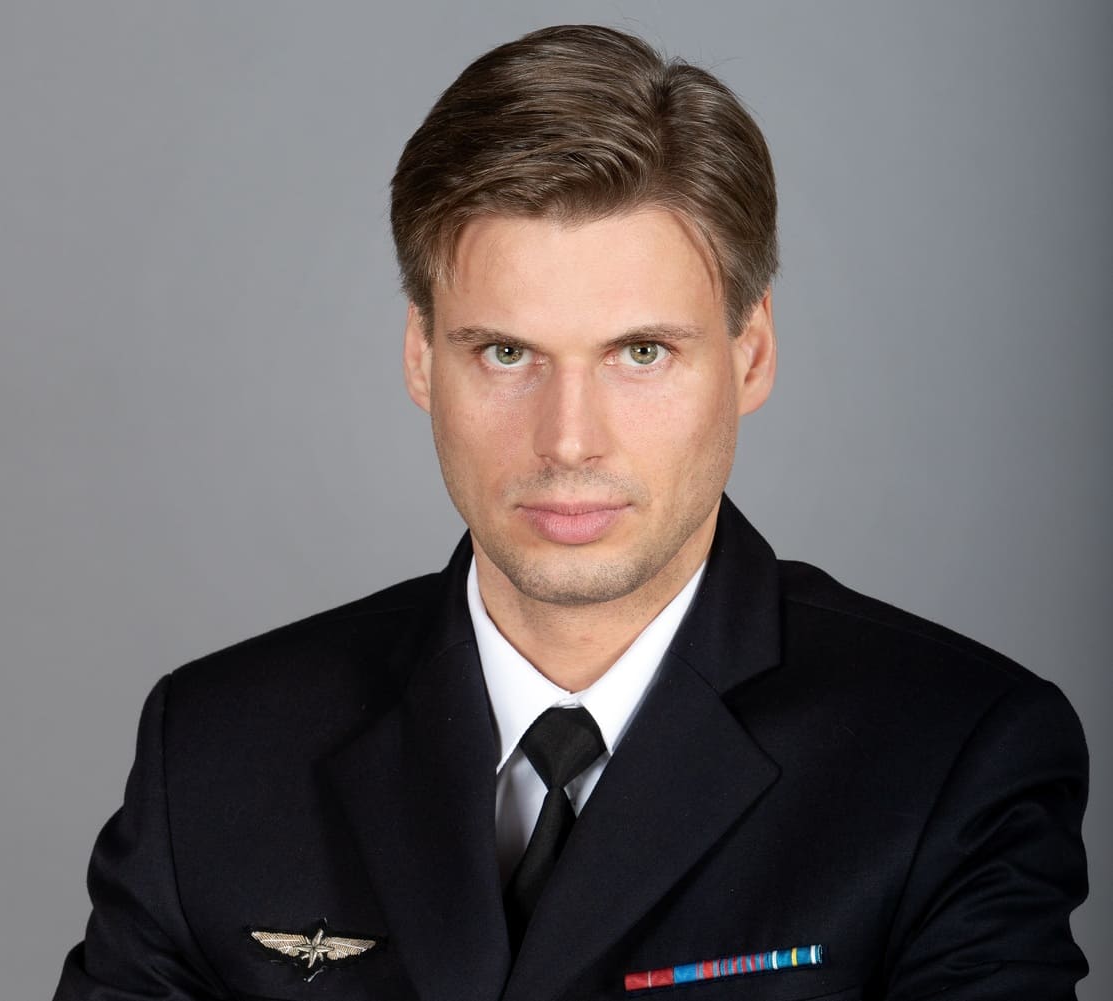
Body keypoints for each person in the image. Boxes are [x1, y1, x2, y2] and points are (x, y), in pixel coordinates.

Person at [53, 24, 1088, 1001]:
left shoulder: (951, 755)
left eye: (641, 352)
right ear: (421, 357)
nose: (568, 441)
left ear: (751, 354)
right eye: (506, 352)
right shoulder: (215, 751)